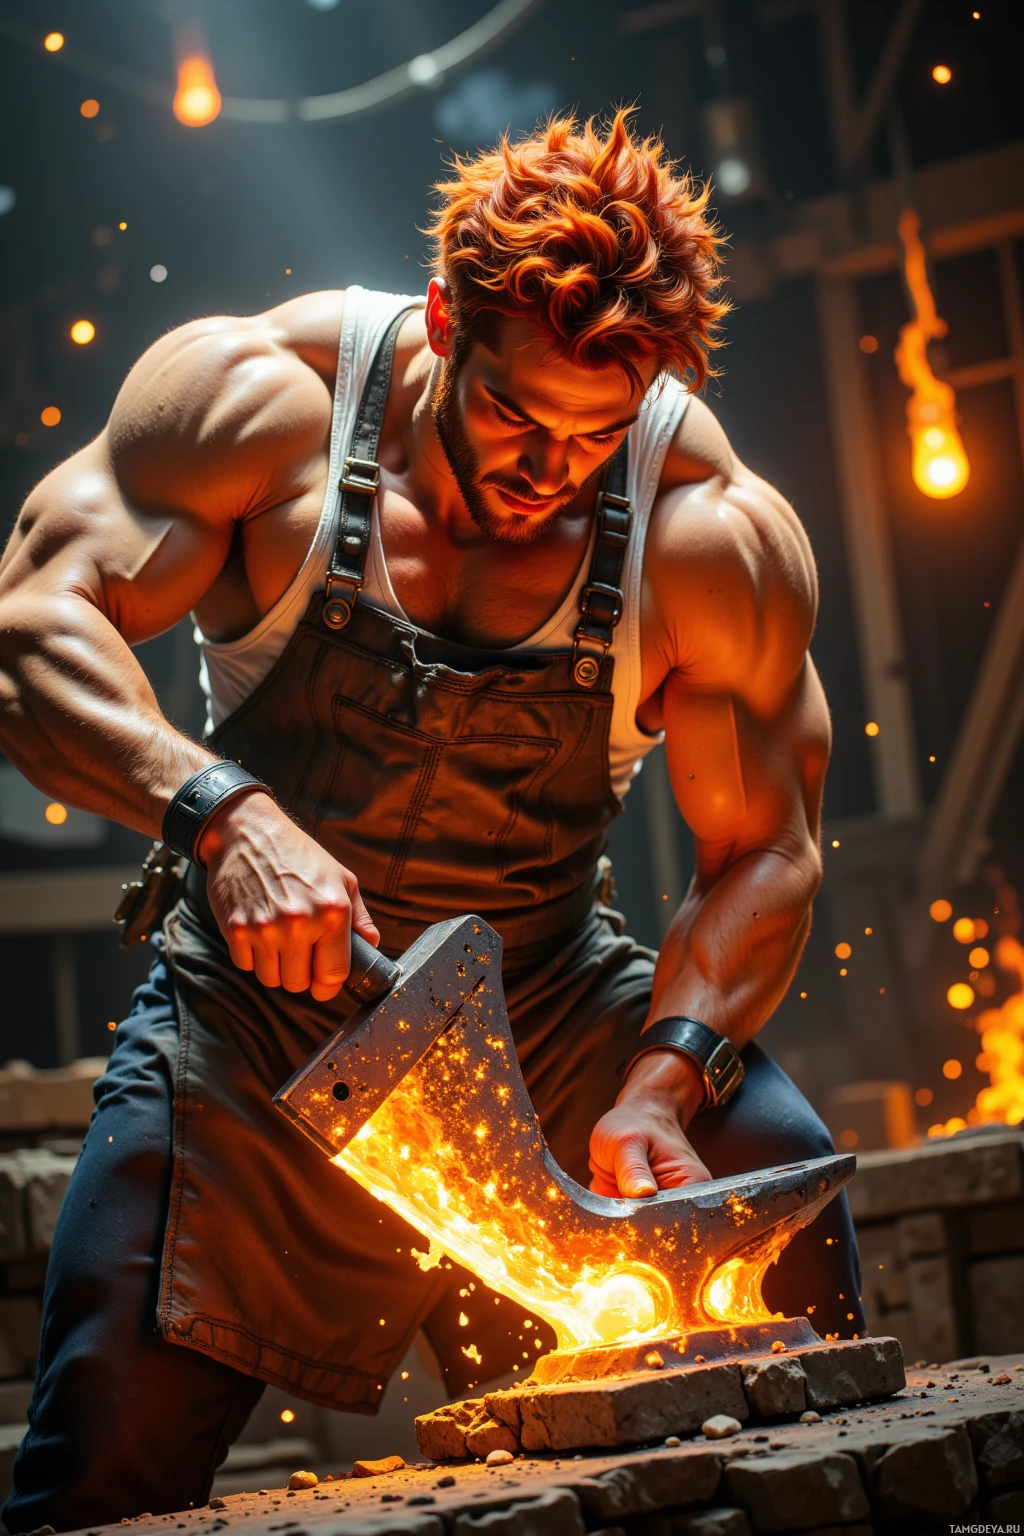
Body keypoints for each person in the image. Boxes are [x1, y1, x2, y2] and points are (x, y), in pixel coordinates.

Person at [0, 110, 863, 1532]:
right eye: (518, 417)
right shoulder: (261, 402)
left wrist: (660, 1085)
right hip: (260, 1041)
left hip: (548, 1020)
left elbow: (769, 848)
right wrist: (223, 817)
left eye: (595, 436)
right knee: (104, 1469)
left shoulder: (708, 528)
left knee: (782, 1224)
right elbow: (31, 630)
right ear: (447, 321)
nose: (550, 470)